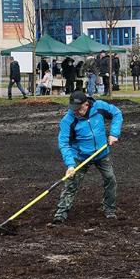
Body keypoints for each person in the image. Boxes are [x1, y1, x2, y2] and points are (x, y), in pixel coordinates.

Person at [52, 91, 123, 223]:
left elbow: (117, 113)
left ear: (86, 104)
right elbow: (64, 143)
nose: (76, 112)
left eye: (79, 109)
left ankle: (109, 209)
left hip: (101, 153)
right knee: (71, 183)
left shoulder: (99, 107)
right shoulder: (68, 120)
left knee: (110, 179)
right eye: (74, 109)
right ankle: (61, 213)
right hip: (80, 156)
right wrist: (70, 165)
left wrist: (114, 133)